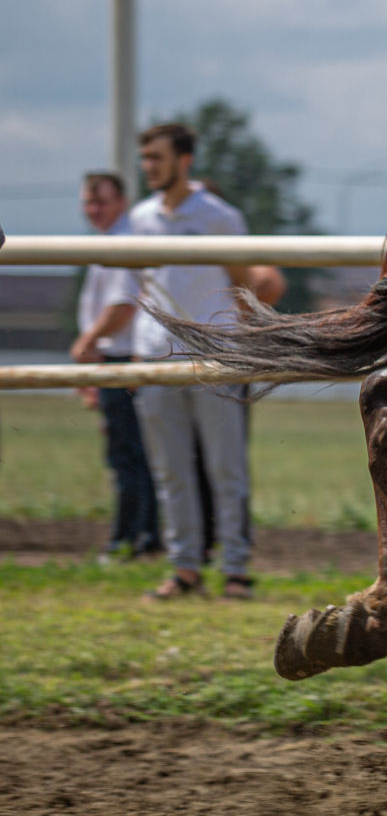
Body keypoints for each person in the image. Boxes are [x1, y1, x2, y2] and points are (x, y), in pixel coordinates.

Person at [126, 122, 261, 600]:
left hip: (213, 357)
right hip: (155, 357)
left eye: (156, 158)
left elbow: (244, 283)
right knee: (170, 471)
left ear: (184, 161)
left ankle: (236, 570)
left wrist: (244, 348)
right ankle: (183, 568)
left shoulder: (221, 216)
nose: (149, 168)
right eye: (145, 158)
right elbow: (139, 287)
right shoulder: (140, 217)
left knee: (226, 469)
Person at [69, 170, 160, 559]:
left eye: (101, 201)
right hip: (114, 355)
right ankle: (139, 536)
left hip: (122, 356)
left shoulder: (123, 242)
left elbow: (123, 305)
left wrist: (86, 344)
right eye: (89, 202)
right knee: (130, 453)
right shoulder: (111, 240)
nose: (94, 209)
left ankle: (133, 538)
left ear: (121, 202)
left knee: (129, 455)